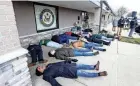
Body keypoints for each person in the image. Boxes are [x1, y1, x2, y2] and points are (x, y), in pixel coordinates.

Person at [36, 61, 108, 86]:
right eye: (38, 68)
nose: (40, 67)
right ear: (40, 72)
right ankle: (98, 74)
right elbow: (53, 82)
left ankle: (94, 67)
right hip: (68, 72)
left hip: (70, 65)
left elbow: (59, 63)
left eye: (39, 66)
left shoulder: (49, 65)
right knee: (83, 73)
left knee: (82, 65)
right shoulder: (46, 75)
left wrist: (68, 61)